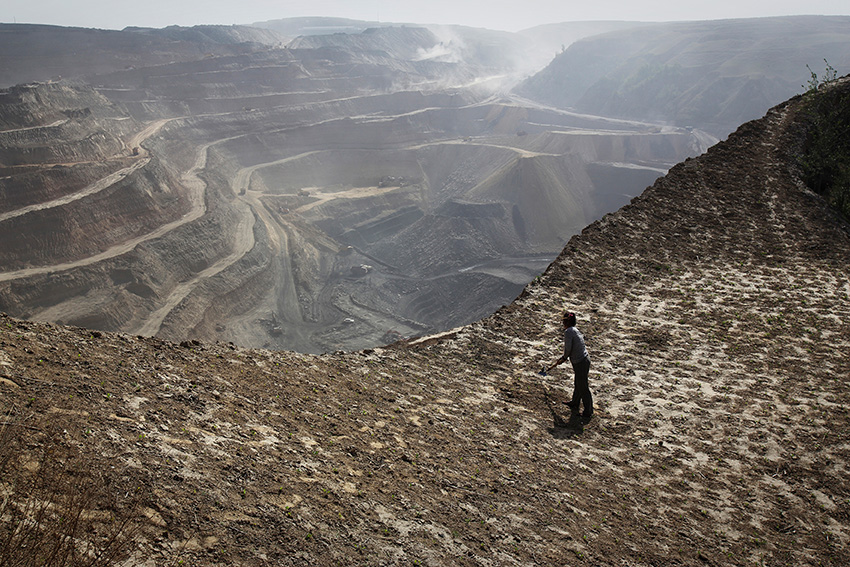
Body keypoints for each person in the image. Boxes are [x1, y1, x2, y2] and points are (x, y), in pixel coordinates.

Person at [547, 311, 593, 423]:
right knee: (578, 382)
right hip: (582, 361)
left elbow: (568, 349)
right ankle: (575, 402)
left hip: (581, 362)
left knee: (583, 386)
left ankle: (588, 411)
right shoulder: (574, 330)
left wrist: (563, 357)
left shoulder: (568, 332)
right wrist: (564, 357)